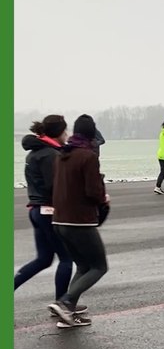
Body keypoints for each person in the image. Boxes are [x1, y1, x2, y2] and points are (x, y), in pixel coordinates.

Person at [48, 114, 110, 328]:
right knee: (99, 266)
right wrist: (103, 197)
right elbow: (93, 191)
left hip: (59, 221)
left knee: (83, 266)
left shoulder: (62, 155)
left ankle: (67, 313)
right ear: (92, 133)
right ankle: (65, 302)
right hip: (80, 221)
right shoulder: (87, 156)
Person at [15, 115, 73, 305]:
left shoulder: (34, 153)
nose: (67, 135)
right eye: (65, 131)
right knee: (66, 258)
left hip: (36, 210)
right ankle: (62, 304)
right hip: (48, 211)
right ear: (59, 132)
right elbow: (54, 187)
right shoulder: (50, 155)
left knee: (44, 259)